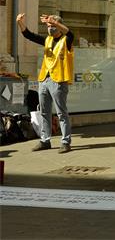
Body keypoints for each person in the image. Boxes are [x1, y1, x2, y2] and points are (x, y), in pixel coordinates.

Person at [16, 13, 74, 153]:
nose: (50, 28)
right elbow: (29, 35)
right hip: (44, 80)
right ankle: (44, 140)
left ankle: (65, 142)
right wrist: (20, 23)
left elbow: (69, 32)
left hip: (59, 80)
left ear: (58, 26)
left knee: (61, 113)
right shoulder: (47, 40)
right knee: (44, 112)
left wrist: (54, 22)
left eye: (52, 25)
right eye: (48, 26)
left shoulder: (66, 40)